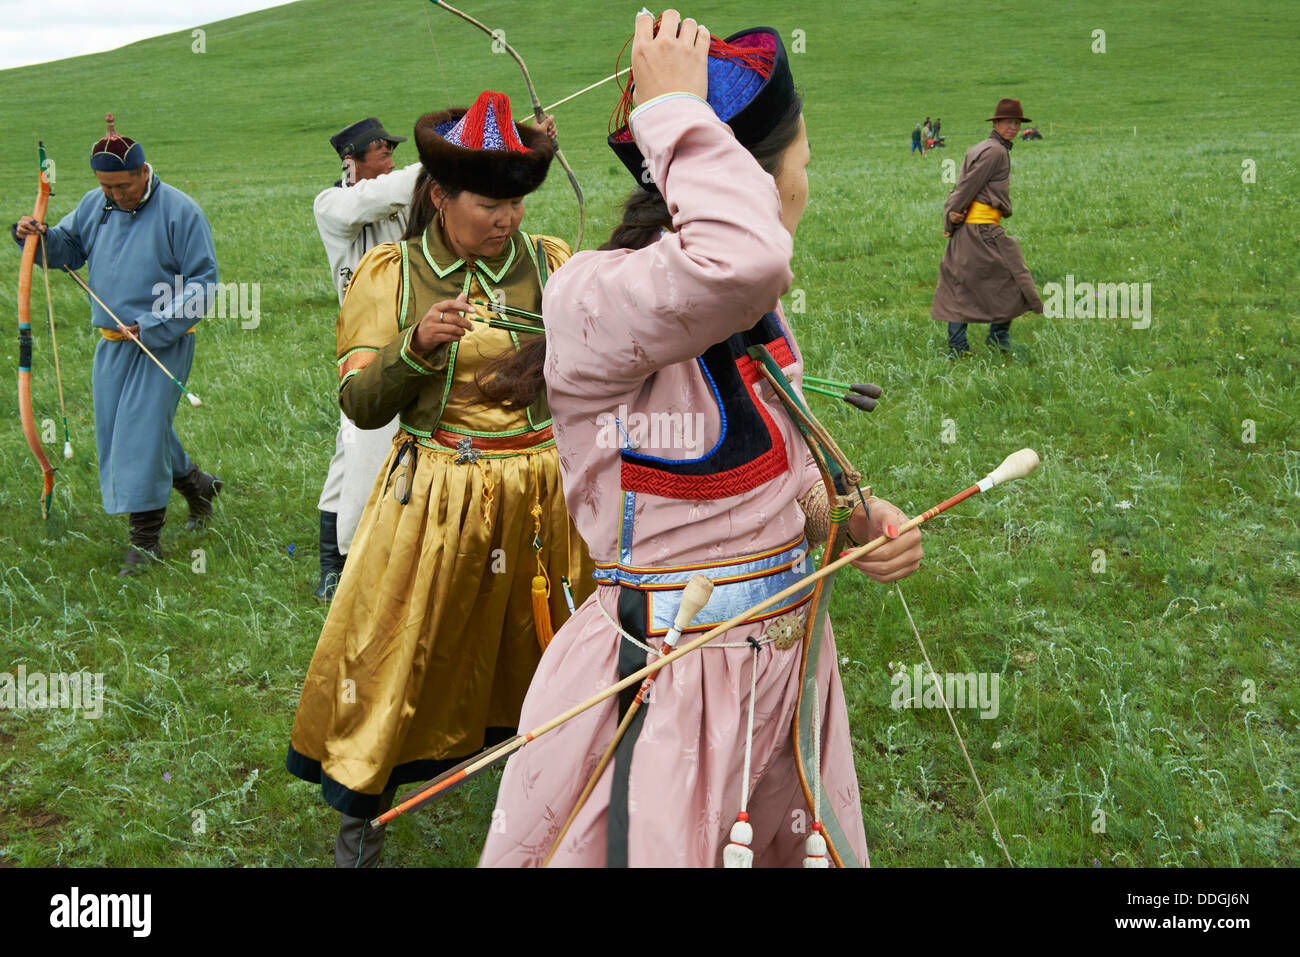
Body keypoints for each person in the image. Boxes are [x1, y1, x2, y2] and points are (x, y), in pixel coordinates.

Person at [480, 12, 923, 868]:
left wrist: (850, 515)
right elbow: (746, 255)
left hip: (783, 675)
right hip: (666, 687)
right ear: (744, 183)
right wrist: (675, 110)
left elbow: (773, 468)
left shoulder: (747, 312)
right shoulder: (590, 295)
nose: (805, 186)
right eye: (803, 165)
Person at [286, 90, 594, 867]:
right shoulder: (392, 272)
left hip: (543, 495)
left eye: (518, 201)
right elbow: (360, 403)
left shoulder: (554, 261)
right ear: (439, 195)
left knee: (557, 651)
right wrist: (417, 347)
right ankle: (360, 810)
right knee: (394, 651)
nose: (508, 219)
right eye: (489, 203)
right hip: (437, 493)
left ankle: (564, 800)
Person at [12, 114, 220, 575]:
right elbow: (66, 249)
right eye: (106, 187)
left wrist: (153, 323)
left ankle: (145, 544)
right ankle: (197, 485)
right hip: (111, 343)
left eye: (122, 186)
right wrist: (33, 237)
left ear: (143, 173)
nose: (114, 195)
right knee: (127, 429)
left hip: (161, 342)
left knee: (139, 432)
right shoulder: (95, 204)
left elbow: (204, 283)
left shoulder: (180, 211)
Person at [311, 117, 418, 600]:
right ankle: (351, 561)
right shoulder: (333, 204)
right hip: (365, 348)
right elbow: (378, 198)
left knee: (347, 453)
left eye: (392, 156)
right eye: (380, 156)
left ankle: (332, 566)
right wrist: (442, 161)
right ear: (351, 162)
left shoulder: (398, 195)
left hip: (412, 337)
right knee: (365, 448)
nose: (390, 164)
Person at [931, 98, 1044, 356]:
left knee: (961, 284)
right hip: (981, 231)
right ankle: (992, 339)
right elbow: (967, 187)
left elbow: (960, 186)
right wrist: (950, 217)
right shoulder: (995, 152)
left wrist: (952, 216)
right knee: (1013, 280)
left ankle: (961, 347)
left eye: (1017, 123)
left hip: (971, 229)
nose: (1013, 127)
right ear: (996, 123)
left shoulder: (980, 148)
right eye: (1008, 122)